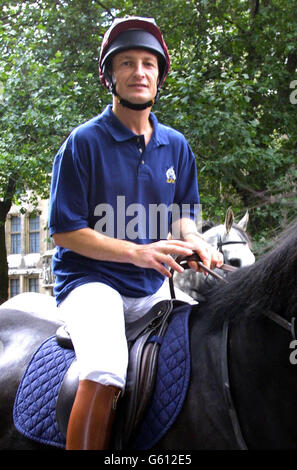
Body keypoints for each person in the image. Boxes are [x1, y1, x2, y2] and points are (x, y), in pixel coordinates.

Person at [48, 16, 223, 450]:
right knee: (107, 366)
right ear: (109, 75)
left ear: (160, 76)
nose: (139, 72)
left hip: (154, 289)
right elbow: (66, 233)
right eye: (127, 63)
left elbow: (183, 216)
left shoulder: (176, 146)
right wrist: (138, 253)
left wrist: (198, 242)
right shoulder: (82, 142)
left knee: (214, 345)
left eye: (149, 63)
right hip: (90, 283)